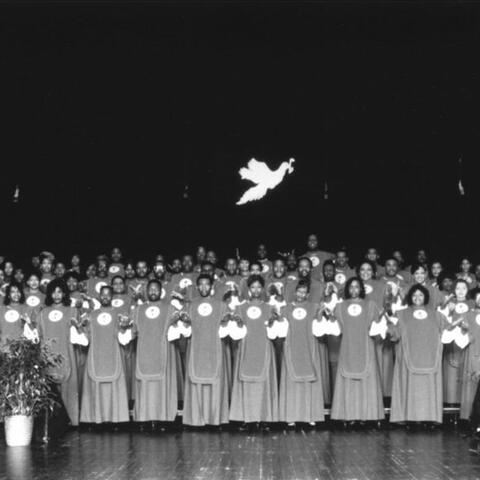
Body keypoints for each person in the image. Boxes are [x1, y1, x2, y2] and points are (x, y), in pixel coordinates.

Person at [120, 280, 179, 425]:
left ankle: (164, 419)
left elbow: (175, 332)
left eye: (156, 289)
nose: (153, 292)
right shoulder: (138, 310)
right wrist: (124, 328)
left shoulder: (170, 308)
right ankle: (145, 419)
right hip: (144, 354)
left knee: (162, 387)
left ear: (161, 291)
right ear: (146, 291)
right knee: (145, 386)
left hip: (163, 353)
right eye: (150, 289)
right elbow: (131, 333)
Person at [388, 284, 446, 425]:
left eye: (420, 295)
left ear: (426, 297)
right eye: (414, 295)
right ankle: (409, 418)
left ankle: (430, 418)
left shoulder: (437, 315)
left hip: (429, 358)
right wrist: (389, 327)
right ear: (409, 297)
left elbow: (447, 332)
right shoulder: (401, 314)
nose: (417, 298)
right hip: (407, 358)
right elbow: (395, 335)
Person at [329, 277, 385, 424]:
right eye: (351, 287)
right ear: (347, 289)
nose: (354, 290)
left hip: (366, 347)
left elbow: (377, 328)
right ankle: (348, 416)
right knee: (348, 381)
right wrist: (329, 319)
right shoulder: (340, 307)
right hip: (347, 347)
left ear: (361, 289)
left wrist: (380, 319)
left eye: (357, 287)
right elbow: (335, 329)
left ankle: (368, 416)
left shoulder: (371, 305)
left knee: (367, 380)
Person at [229, 275, 279, 428]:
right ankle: (247, 418)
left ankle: (265, 418)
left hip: (264, 348)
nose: (256, 290)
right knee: (247, 382)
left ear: (262, 289)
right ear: (248, 289)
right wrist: (237, 324)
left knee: (264, 383)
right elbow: (235, 334)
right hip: (246, 349)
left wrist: (272, 324)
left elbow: (275, 334)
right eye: (253, 287)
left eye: (259, 287)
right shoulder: (240, 308)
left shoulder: (270, 307)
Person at [181, 274, 230, 427]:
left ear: (212, 287)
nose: (204, 287)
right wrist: (186, 323)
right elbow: (184, 330)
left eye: (207, 284)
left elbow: (226, 330)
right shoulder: (190, 305)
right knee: (195, 380)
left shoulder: (221, 305)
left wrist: (225, 323)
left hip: (214, 350)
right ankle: (196, 420)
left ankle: (215, 420)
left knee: (215, 381)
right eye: (200, 285)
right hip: (196, 350)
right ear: (196, 287)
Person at [79, 286, 130, 424]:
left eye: (108, 295)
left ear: (112, 296)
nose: (105, 297)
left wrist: (124, 328)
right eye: (103, 295)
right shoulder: (91, 314)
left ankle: (116, 419)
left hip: (114, 355)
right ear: (98, 297)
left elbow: (124, 337)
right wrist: (81, 328)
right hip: (95, 355)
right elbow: (85, 338)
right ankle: (95, 419)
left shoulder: (119, 314)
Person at [279, 280, 325, 426]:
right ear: (294, 292)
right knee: (292, 381)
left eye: (304, 292)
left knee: (309, 380)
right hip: (292, 347)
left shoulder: (314, 307)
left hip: (309, 347)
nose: (301, 294)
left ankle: (310, 415)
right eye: (299, 291)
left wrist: (320, 315)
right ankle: (291, 416)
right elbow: (280, 330)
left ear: (308, 294)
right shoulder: (286, 308)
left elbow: (319, 329)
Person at [37, 279, 80, 426]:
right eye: (53, 291)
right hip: (47, 355)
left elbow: (78, 333)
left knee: (69, 387)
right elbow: (39, 334)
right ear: (49, 294)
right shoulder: (43, 313)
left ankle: (71, 421)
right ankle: (51, 423)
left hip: (66, 352)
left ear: (64, 293)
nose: (56, 295)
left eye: (60, 291)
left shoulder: (72, 310)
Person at [441, 279, 472, 407]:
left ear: (467, 290)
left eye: (463, 288)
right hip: (451, 346)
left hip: (468, 345)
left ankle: (464, 413)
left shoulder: (472, 304)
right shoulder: (449, 303)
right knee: (451, 378)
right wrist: (448, 310)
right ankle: (449, 410)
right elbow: (442, 323)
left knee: (465, 377)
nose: (460, 291)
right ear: (454, 290)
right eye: (458, 288)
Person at [459, 287, 480, 422]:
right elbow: (461, 339)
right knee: (470, 387)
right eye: (478, 298)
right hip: (473, 353)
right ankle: (468, 420)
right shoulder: (467, 315)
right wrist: (464, 331)